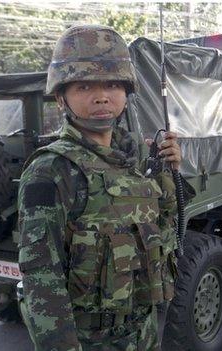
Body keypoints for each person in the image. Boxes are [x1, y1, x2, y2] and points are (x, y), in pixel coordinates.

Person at [17, 24, 191, 350]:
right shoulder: (52, 171)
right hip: (92, 341)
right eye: (84, 86)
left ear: (126, 93)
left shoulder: (137, 156)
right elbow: (42, 280)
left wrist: (172, 171)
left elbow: (168, 227)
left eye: (112, 84)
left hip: (145, 331)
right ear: (61, 98)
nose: (101, 96)